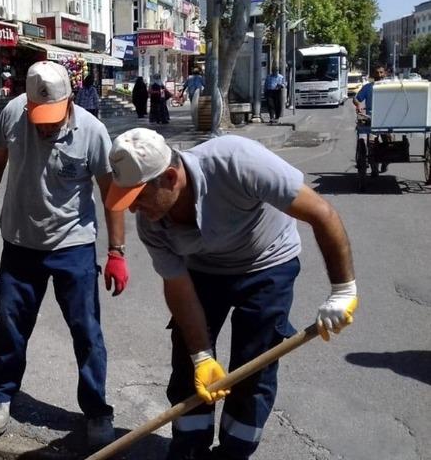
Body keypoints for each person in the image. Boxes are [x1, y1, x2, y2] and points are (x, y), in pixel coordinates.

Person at [105, 128, 358, 460]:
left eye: (138, 197)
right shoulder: (154, 223)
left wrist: (343, 290)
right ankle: (190, 450)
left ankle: (233, 453)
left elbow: (322, 214)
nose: (134, 210)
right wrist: (201, 356)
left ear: (169, 177)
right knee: (188, 369)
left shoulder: (237, 161)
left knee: (253, 369)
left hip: (267, 262)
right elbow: (178, 285)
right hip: (204, 270)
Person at [0, 61, 129, 451]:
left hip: (73, 245)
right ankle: (3, 393)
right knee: (9, 324)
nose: (45, 126)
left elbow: (112, 192)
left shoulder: (91, 131)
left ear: (69, 101)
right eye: (39, 118)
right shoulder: (12, 114)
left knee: (86, 332)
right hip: (20, 242)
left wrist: (116, 251)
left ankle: (96, 409)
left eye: (52, 118)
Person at [353, 65, 390, 173]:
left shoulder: (391, 86)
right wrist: (358, 105)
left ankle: (385, 162)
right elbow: (356, 98)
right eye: (377, 73)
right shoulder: (368, 87)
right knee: (372, 143)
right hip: (372, 119)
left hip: (388, 119)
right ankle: (374, 168)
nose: (379, 75)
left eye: (381, 72)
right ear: (373, 75)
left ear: (385, 74)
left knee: (388, 141)